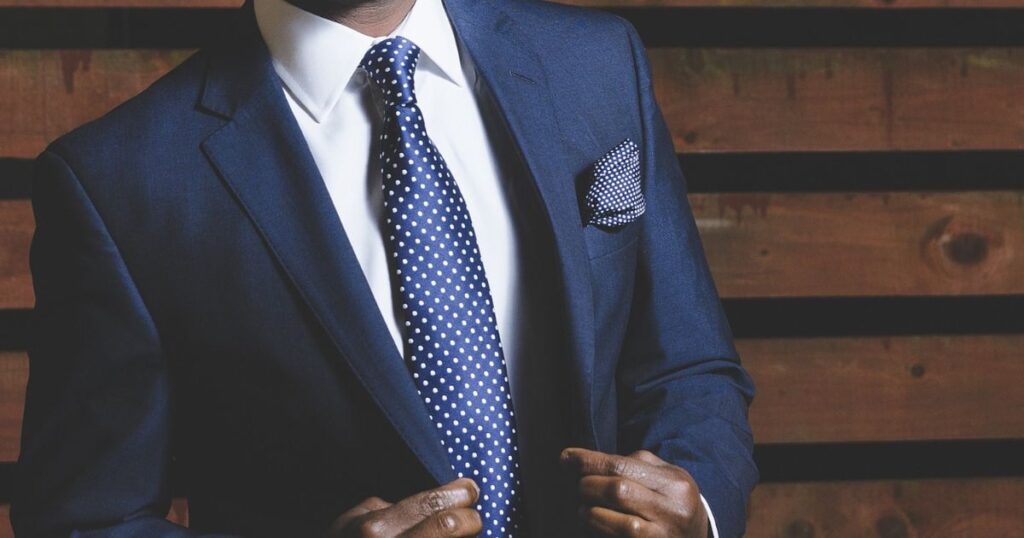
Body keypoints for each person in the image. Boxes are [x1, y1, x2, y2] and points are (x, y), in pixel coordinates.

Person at [11, 0, 757, 536]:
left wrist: (705, 514)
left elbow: (687, 368)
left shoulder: (595, 63)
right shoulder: (120, 181)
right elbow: (84, 519)